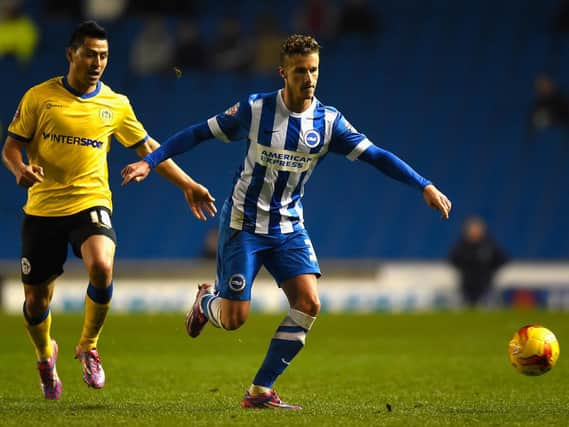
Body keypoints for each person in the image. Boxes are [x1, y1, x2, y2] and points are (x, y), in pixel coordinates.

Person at [121, 34, 452, 410]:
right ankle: (205, 301)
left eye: (314, 70)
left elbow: (376, 155)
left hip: (289, 226)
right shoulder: (255, 110)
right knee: (233, 320)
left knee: (309, 303)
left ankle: (260, 390)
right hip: (243, 224)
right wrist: (149, 161)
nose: (309, 78)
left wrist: (423, 185)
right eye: (300, 71)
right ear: (283, 73)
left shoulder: (329, 122)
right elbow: (197, 133)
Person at [1, 21, 216, 401]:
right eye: (90, 54)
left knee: (101, 265)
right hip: (43, 208)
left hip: (90, 202)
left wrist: (188, 184)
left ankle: (88, 345)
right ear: (71, 54)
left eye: (104, 55)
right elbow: (11, 147)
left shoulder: (115, 104)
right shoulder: (39, 97)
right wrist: (20, 170)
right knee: (36, 301)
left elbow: (150, 147)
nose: (98, 62)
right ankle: (44, 356)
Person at [448, 216, 508, 308]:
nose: (474, 231)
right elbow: (452, 258)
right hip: (467, 282)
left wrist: (491, 270)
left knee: (485, 305)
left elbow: (502, 258)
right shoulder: (462, 245)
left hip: (485, 282)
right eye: (472, 229)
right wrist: (463, 268)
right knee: (467, 305)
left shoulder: (488, 244)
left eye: (476, 229)